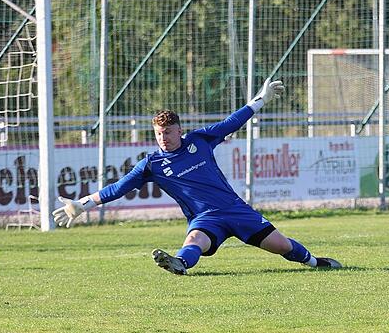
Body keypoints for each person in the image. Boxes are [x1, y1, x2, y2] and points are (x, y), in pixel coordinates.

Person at [52, 79, 342, 275]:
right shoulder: (151, 165)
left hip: (236, 211)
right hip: (206, 218)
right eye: (158, 134)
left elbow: (231, 122)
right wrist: (82, 204)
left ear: (179, 130)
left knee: (284, 247)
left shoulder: (200, 140)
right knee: (195, 240)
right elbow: (118, 187)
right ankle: (179, 264)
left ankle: (317, 262)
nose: (163, 138)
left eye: (167, 132)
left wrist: (260, 101)